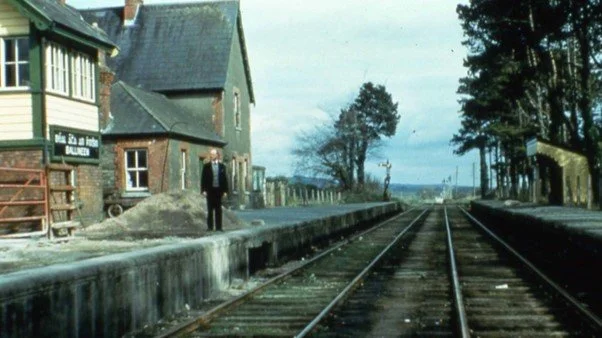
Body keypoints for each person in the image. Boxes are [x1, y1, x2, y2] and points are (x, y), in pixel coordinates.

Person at [201, 148, 229, 231]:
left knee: (218, 210)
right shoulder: (206, 166)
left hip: (218, 191)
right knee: (210, 210)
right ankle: (210, 227)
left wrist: (225, 191)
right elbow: (203, 179)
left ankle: (219, 227)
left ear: (217, 155)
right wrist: (203, 190)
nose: (211, 156)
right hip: (210, 190)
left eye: (213, 154)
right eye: (211, 154)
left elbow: (224, 179)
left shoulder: (222, 166)